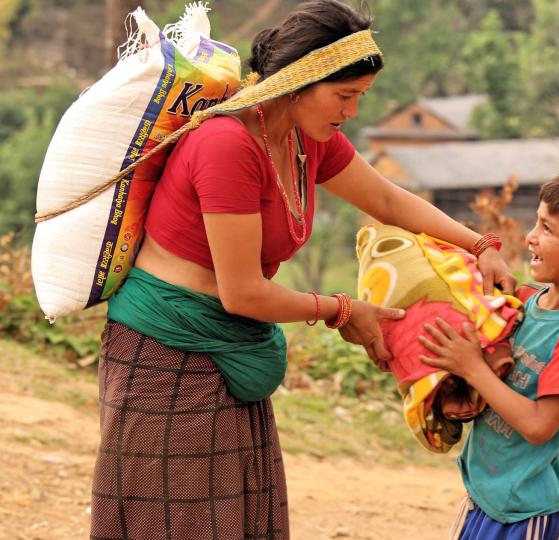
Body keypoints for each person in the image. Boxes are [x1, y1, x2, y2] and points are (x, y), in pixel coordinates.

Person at [88, 1, 515, 539]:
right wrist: (340, 310)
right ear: (298, 81)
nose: (353, 112)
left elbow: (385, 198)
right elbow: (242, 293)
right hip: (166, 353)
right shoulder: (227, 145)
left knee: (234, 520)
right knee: (175, 521)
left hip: (227, 352)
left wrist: (481, 245)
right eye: (344, 96)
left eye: (360, 97)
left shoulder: (304, 139)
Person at [419, 164, 559, 540]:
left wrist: (473, 369)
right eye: (537, 222)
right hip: (482, 497)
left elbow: (539, 426)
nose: (531, 237)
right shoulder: (522, 304)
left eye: (548, 229)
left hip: (521, 514)